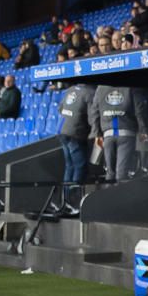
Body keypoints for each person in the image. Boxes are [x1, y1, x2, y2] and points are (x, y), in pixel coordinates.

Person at [89, 86, 148, 182]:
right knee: (122, 172)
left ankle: (107, 195)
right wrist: (142, 130)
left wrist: (97, 134)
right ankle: (119, 195)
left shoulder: (100, 88)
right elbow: (139, 110)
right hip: (126, 135)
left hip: (108, 135)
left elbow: (94, 112)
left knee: (110, 172)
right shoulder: (131, 88)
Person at [57, 84, 95, 215]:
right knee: (80, 166)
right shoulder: (90, 93)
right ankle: (73, 203)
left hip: (62, 131)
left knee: (69, 166)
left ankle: (65, 201)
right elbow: (92, 117)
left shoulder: (70, 90)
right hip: (75, 133)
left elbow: (60, 108)